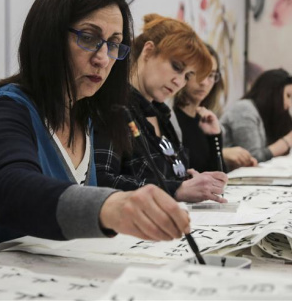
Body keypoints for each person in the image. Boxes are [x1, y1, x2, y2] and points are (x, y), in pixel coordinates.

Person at [0, 0, 190, 272]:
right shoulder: (4, 109)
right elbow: (13, 193)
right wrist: (111, 206)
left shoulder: (86, 116)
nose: (103, 59)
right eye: (90, 38)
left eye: (114, 44)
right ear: (50, 36)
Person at [94, 14, 228, 203]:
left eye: (187, 76)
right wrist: (177, 189)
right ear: (148, 52)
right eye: (176, 67)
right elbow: (101, 183)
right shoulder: (115, 107)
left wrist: (190, 181)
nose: (179, 81)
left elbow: (168, 179)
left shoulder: (162, 115)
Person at [172, 43, 257, 172]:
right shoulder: (171, 119)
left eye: (211, 75)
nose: (204, 82)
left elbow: (217, 173)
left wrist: (216, 139)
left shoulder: (206, 119)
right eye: (199, 73)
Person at [221, 69, 292, 163]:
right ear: (272, 93)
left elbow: (289, 136)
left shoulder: (273, 114)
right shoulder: (244, 109)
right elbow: (252, 157)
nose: (290, 104)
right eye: (288, 96)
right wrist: (289, 140)